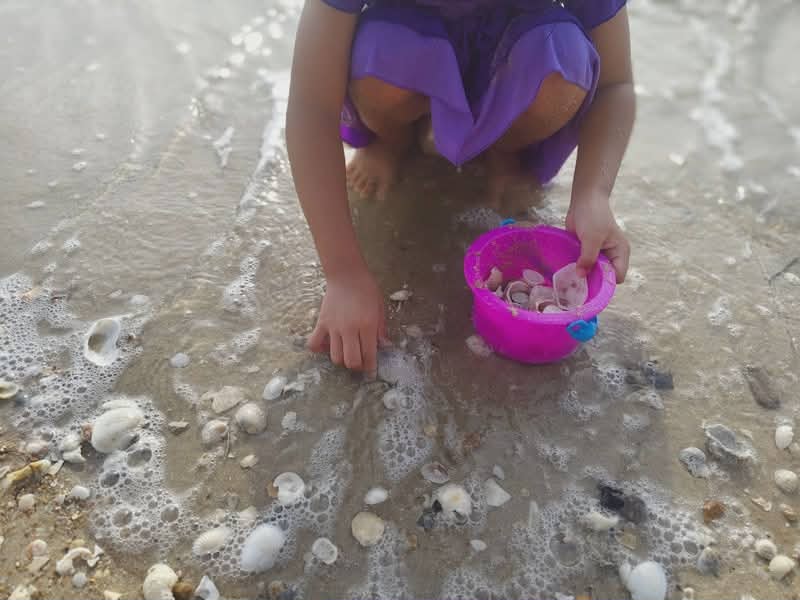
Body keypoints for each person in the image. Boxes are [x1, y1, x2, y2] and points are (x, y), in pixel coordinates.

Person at [287, 0, 634, 376]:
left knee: (562, 52)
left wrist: (592, 194)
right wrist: (344, 274)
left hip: (516, 58)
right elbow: (311, 103)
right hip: (405, 57)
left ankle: (505, 149)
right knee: (384, 50)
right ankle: (391, 139)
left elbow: (616, 84)